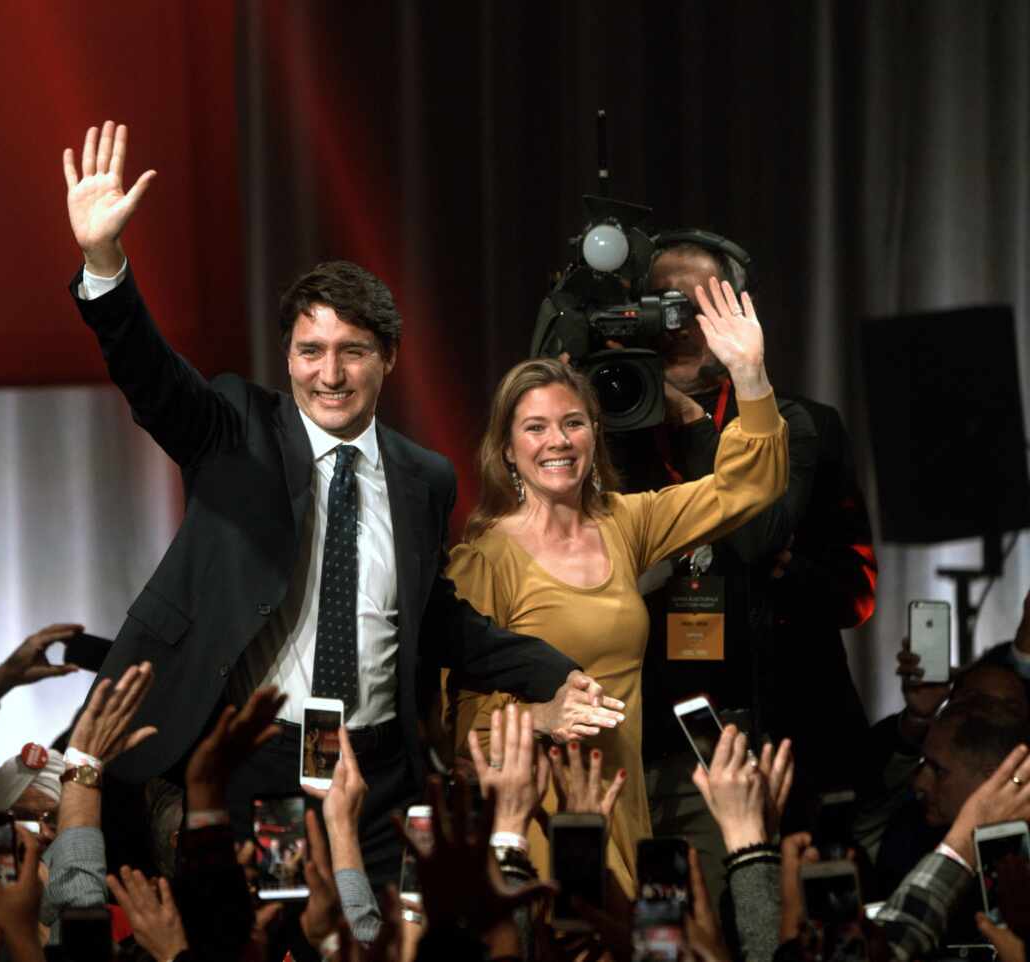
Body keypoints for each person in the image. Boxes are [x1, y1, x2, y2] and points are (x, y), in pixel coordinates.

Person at [59, 120, 620, 883]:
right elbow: (150, 376)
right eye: (310, 351)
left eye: (352, 351)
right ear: (287, 356)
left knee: (389, 935)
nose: (330, 373)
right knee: (274, 930)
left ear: (387, 358)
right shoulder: (235, 428)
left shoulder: (425, 476)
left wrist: (550, 672)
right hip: (257, 757)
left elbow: (440, 618)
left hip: (381, 766)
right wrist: (103, 261)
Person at [444, 273, 789, 897]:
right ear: (506, 450)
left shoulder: (623, 523)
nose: (558, 441)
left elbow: (748, 487)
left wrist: (750, 375)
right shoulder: (483, 560)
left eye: (573, 423)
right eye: (536, 428)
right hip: (538, 822)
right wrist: (543, 716)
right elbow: (463, 735)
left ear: (594, 434)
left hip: (623, 808)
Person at [618, 234, 876, 899]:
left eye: (696, 305)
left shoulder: (798, 423)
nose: (676, 325)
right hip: (655, 738)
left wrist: (697, 421)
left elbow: (764, 535)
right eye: (661, 305)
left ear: (741, 316)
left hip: (780, 727)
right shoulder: (614, 430)